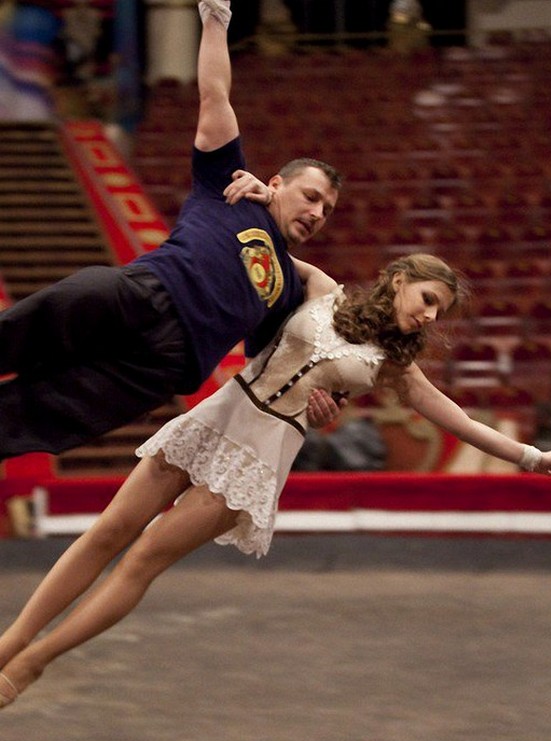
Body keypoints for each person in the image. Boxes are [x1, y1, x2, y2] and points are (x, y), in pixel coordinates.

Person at [0, 252, 551, 708]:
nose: (429, 317)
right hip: (216, 416)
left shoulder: (395, 365)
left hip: (259, 454)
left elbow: (461, 421)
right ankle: (11, 641)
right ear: (399, 280)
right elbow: (257, 243)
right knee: (108, 532)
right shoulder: (322, 288)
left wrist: (529, 455)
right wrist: (252, 189)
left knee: (141, 560)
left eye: (438, 312)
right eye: (427, 300)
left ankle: (34, 661)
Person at [0, 0, 342, 459]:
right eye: (311, 197)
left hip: (160, 368)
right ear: (277, 183)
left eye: (327, 210)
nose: (318, 213)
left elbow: (316, 319)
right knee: (18, 333)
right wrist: (216, 18)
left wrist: (324, 396)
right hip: (138, 294)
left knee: (30, 420)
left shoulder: (288, 292)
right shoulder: (229, 186)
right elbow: (215, 95)